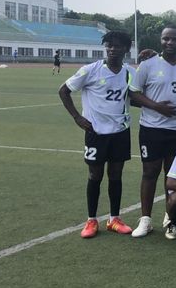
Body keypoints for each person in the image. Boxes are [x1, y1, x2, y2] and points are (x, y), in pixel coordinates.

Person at [58, 31, 135, 238]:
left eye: (117, 46)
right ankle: (91, 220)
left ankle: (114, 219)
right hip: (96, 132)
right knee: (95, 175)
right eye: (109, 45)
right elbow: (63, 90)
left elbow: (134, 97)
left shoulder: (130, 72)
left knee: (116, 175)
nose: (112, 49)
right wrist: (77, 117)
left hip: (120, 132)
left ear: (126, 49)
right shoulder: (90, 70)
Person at [129, 25, 176, 238]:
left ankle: (171, 217)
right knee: (150, 173)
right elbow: (134, 93)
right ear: (160, 40)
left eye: (174, 39)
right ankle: (146, 220)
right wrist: (157, 107)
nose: (169, 42)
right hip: (151, 129)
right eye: (165, 39)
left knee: (173, 176)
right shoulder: (148, 65)